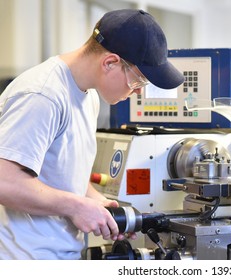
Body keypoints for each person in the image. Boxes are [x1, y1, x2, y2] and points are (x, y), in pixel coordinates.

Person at [0, 9, 184, 260]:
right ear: (110, 62)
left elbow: (61, 173)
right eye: (138, 81)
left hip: (60, 255)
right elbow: (5, 182)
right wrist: (76, 206)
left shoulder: (89, 97)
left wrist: (97, 204)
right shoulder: (42, 95)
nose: (138, 93)